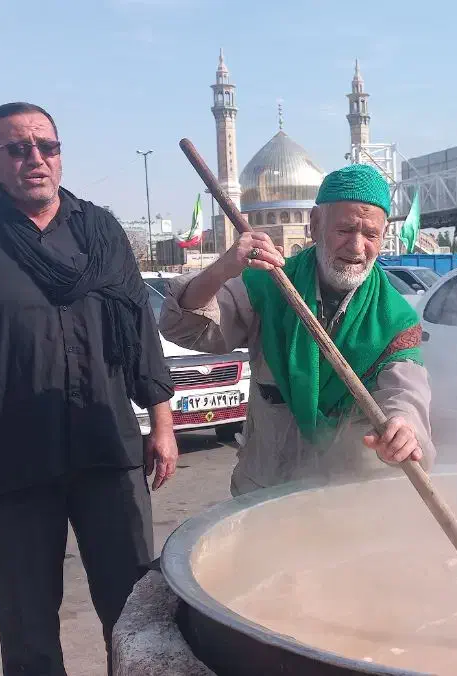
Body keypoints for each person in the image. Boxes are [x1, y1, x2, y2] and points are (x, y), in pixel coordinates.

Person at [0, 101, 178, 675]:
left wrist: (163, 422)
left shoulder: (99, 231)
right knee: (27, 632)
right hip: (12, 462)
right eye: (18, 148)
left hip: (108, 453)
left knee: (135, 619)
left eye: (47, 146)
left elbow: (137, 328)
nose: (36, 159)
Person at [158, 163, 434, 497]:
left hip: (348, 500)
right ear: (315, 225)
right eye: (345, 230)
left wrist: (403, 426)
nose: (357, 246)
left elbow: (406, 391)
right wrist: (222, 269)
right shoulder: (268, 284)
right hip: (264, 490)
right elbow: (181, 326)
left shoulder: (395, 318)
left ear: (384, 235)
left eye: (370, 234)